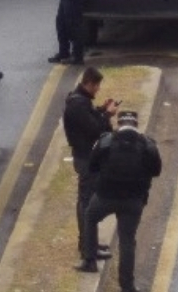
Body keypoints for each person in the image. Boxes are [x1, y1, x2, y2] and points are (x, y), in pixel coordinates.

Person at [80, 110, 162, 290]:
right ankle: (127, 285)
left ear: (119, 124)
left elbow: (92, 166)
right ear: (136, 125)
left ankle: (90, 260)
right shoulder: (148, 145)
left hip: (105, 196)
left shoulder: (105, 142)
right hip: (134, 201)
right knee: (127, 241)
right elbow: (156, 171)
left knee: (90, 217)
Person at [62, 67, 116, 265]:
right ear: (88, 83)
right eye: (97, 86)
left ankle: (89, 243)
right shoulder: (78, 105)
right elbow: (95, 129)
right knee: (87, 204)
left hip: (86, 157)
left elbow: (91, 119)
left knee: (88, 202)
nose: (98, 89)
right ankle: (87, 246)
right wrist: (107, 115)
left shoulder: (81, 102)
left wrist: (101, 110)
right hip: (86, 159)